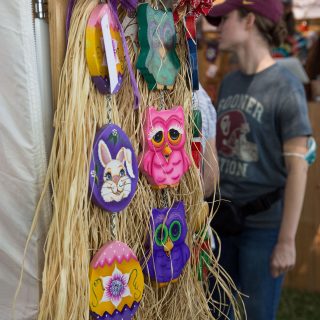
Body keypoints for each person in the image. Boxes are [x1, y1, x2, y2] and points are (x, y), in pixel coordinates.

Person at [206, 0, 312, 319]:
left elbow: (298, 169)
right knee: (217, 310)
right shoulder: (229, 82)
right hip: (223, 220)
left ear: (250, 20)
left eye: (226, 19)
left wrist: (287, 241)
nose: (219, 27)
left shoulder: (286, 87)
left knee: (256, 313)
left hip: (263, 229)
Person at [193, 83, 219, 198]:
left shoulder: (197, 97)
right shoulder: (200, 95)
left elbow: (210, 179)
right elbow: (211, 179)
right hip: (185, 207)